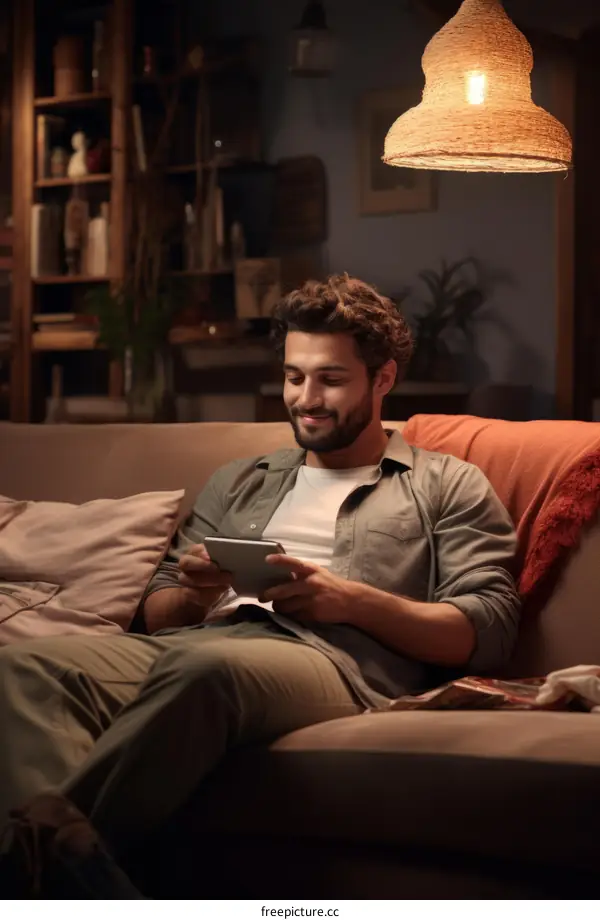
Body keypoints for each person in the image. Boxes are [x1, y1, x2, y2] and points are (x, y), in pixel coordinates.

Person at [0, 274, 521, 897]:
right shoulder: (242, 479)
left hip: (332, 661)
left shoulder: (446, 483)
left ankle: (34, 876)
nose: (306, 398)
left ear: (382, 379)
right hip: (202, 644)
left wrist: (351, 601)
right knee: (27, 667)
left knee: (208, 671)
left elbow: (487, 629)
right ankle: (76, 880)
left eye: (330, 379)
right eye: (294, 377)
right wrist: (195, 592)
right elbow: (158, 612)